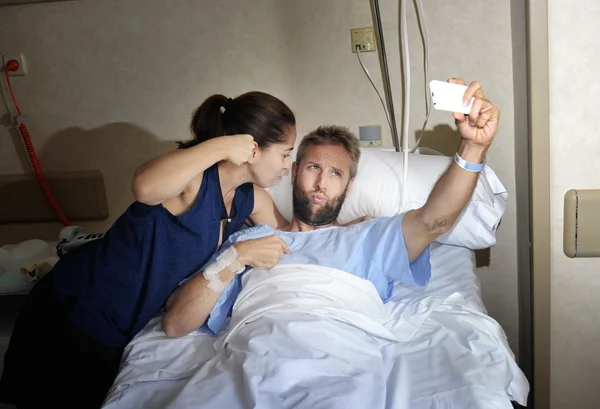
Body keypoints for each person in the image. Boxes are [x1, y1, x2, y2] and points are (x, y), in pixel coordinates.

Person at [0, 91, 302, 409]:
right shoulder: (194, 181)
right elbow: (143, 186)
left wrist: (347, 221)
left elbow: (289, 233)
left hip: (122, 327)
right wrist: (224, 146)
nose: (287, 165)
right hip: (75, 312)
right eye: (285, 154)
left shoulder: (247, 197)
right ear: (253, 148)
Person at [163, 78, 500, 339]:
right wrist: (233, 258)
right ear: (293, 172)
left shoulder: (369, 235)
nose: (322, 183)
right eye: (313, 168)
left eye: (336, 173)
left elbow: (434, 222)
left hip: (342, 356)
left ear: (349, 186)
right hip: (256, 358)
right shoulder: (250, 240)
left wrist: (472, 147)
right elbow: (176, 324)